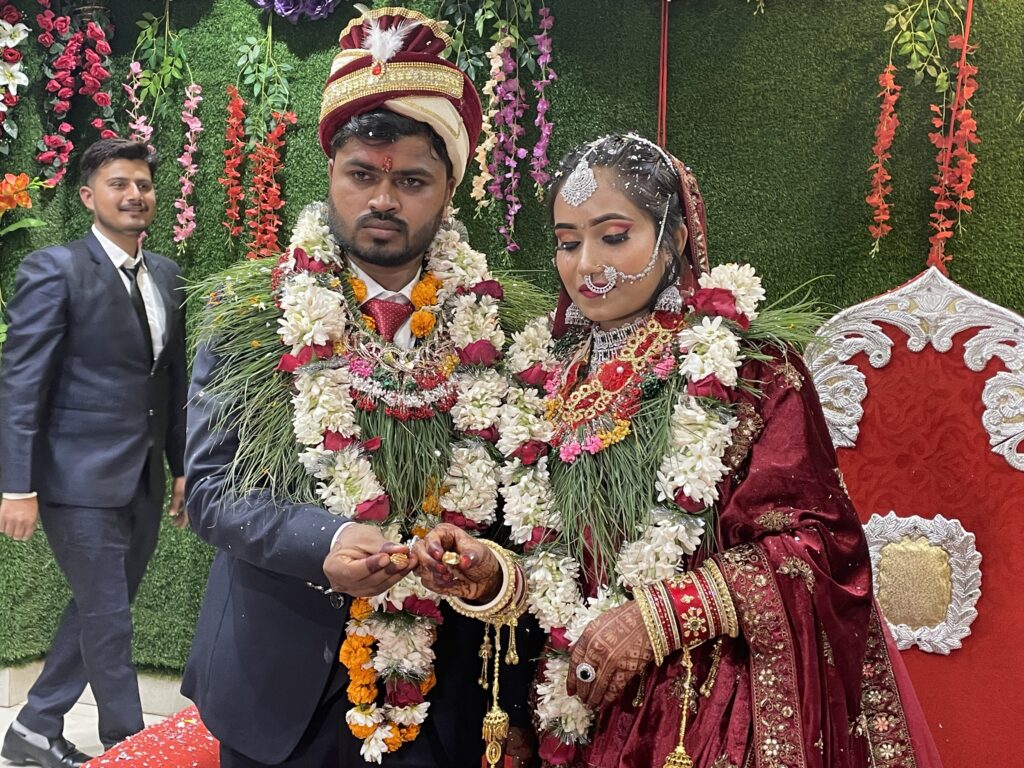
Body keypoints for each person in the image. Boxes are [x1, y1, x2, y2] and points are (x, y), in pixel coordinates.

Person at [415, 133, 944, 768]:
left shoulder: (749, 372)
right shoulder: (545, 381)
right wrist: (494, 574)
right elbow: (561, 565)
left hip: (706, 707)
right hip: (578, 695)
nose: (586, 265)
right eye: (567, 242)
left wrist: (661, 616)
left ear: (674, 240)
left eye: (614, 237)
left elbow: (819, 549)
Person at [182, 7, 538, 767]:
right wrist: (326, 541)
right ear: (332, 175)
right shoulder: (248, 312)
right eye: (362, 175)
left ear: (450, 188)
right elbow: (209, 491)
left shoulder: (506, 328)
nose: (383, 200)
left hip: (444, 690)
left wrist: (480, 565)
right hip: (280, 691)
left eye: (411, 180)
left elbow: (525, 504)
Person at [0, 137, 188, 768]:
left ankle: (34, 727)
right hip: (74, 481)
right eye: (119, 184)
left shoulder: (167, 275)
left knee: (100, 610)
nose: (134, 195)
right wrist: (16, 486)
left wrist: (182, 468)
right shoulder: (55, 270)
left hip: (143, 479)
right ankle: (129, 748)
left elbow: (172, 383)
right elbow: (21, 384)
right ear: (88, 197)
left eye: (143, 185)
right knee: (109, 621)